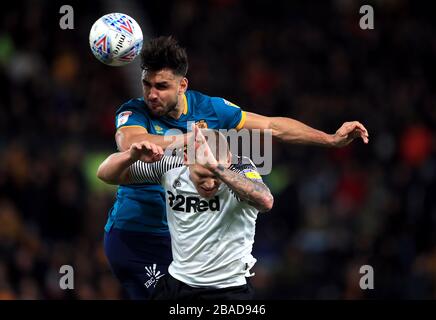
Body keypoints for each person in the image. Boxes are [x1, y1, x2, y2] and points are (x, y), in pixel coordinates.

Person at [104, 35, 369, 299]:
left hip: (180, 241)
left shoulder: (211, 109)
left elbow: (272, 126)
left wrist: (330, 139)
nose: (151, 94)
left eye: (161, 86)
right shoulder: (134, 111)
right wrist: (191, 139)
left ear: (182, 85)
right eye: (146, 85)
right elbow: (130, 143)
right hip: (136, 235)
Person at [98, 125, 273, 300]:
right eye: (202, 176)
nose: (210, 184)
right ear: (187, 159)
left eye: (215, 177)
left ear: (228, 159)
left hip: (229, 289)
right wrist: (130, 156)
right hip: (178, 285)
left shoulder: (240, 170)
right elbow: (105, 174)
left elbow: (265, 201)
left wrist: (216, 168)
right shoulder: (172, 167)